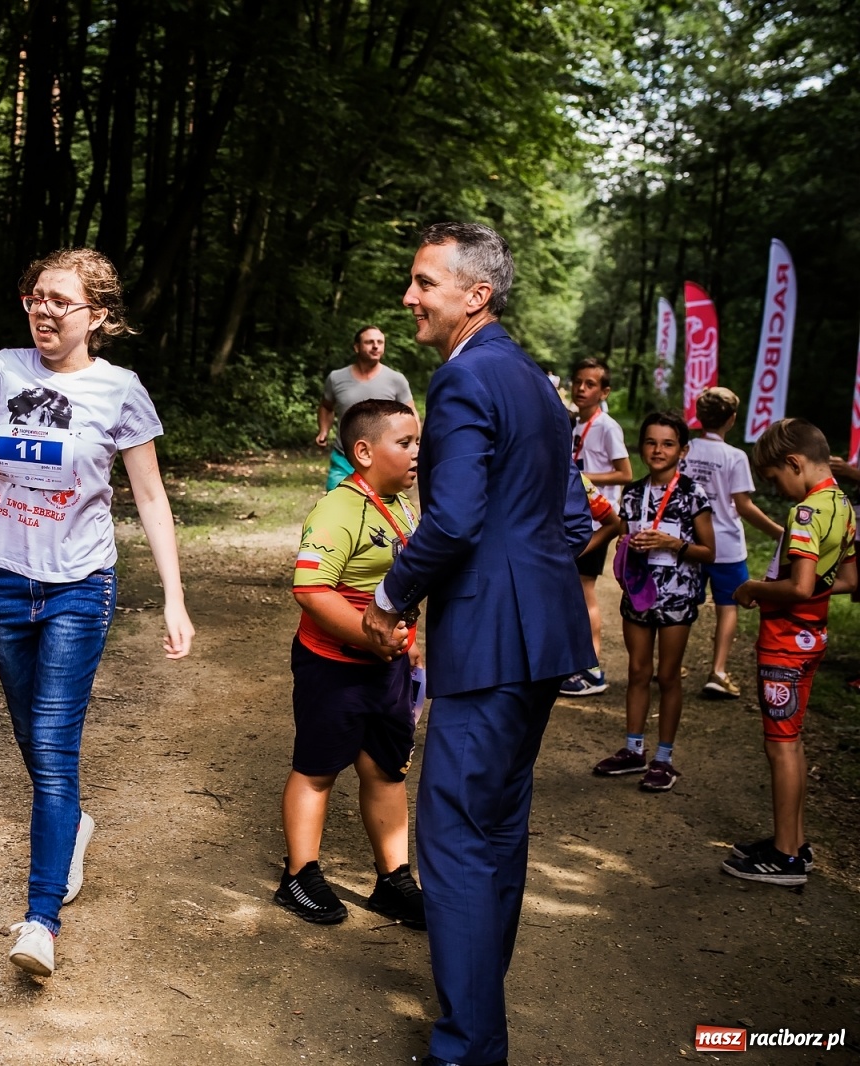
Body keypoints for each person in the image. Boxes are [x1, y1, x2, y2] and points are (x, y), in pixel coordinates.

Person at [361, 222, 591, 1066]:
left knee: (455, 836)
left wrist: (390, 596)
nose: (409, 297)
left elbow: (454, 520)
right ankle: (477, 1016)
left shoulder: (461, 380)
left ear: (476, 294)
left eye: (425, 282)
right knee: (496, 828)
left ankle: (466, 1048)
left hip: (491, 636)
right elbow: (572, 519)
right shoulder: (533, 380)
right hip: (543, 635)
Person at [0, 247, 194, 978]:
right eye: (36, 297)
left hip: (79, 585)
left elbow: (150, 498)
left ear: (98, 315)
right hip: (3, 580)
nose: (44, 310)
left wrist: (174, 596)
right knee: (31, 734)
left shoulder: (120, 390)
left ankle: (41, 920)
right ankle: (72, 823)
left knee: (53, 748)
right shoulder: (0, 371)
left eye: (60, 300)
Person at [278, 399, 426, 930]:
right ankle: (299, 875)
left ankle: (393, 881)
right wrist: (371, 635)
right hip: (333, 666)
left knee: (386, 768)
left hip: (387, 667)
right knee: (317, 769)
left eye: (417, 441)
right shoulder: (338, 510)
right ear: (363, 452)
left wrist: (410, 642)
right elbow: (311, 589)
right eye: (405, 443)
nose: (417, 452)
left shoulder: (402, 506)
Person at [724, 418, 856, 885]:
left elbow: (798, 587)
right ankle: (794, 842)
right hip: (813, 638)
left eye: (776, 478)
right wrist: (810, 591)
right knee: (792, 742)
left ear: (795, 463)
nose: (777, 489)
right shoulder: (843, 505)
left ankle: (785, 859)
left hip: (784, 643)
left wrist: (753, 588)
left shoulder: (806, 512)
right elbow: (850, 580)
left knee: (779, 747)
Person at [592, 411, 715, 792]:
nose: (658, 450)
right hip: (639, 595)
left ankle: (664, 759)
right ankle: (633, 750)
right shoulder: (633, 493)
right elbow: (624, 537)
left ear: (683, 450)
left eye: (668, 444)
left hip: (677, 598)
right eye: (651, 442)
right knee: (638, 671)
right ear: (641, 446)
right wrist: (626, 544)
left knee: (668, 676)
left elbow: (709, 551)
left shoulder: (693, 493)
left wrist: (672, 543)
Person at [681, 387, 785, 699]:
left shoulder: (684, 449)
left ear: (699, 416)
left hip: (688, 543)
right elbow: (744, 506)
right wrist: (779, 532)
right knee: (728, 606)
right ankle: (718, 672)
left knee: (683, 605)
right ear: (732, 419)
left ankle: (670, 665)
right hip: (726, 546)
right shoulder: (735, 456)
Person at [559, 357, 631, 697]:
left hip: (597, 519)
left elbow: (626, 473)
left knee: (585, 590)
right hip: (573, 515)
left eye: (590, 384)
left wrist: (581, 477)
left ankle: (592, 667)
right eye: (578, 382)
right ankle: (573, 662)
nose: (581, 389)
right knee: (569, 591)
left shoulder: (607, 427)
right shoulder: (574, 423)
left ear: (605, 392)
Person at [315, 326, 415, 491]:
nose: (376, 346)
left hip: (382, 460)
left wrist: (410, 446)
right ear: (357, 347)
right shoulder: (336, 378)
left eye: (380, 342)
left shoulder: (396, 380)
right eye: (369, 342)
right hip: (344, 458)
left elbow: (411, 415)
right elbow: (326, 407)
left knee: (377, 506)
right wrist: (323, 431)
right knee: (337, 502)